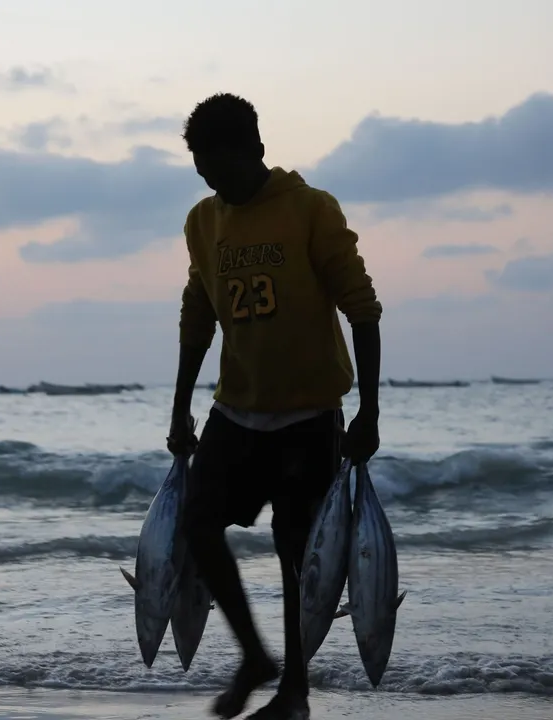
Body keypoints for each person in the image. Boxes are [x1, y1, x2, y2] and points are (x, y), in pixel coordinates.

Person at [166, 93, 382, 720]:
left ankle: (295, 692)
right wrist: (180, 406)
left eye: (222, 168)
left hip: (309, 414)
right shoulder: (201, 222)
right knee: (197, 523)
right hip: (235, 410)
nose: (214, 182)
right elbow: (197, 313)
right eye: (203, 170)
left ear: (256, 151)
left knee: (297, 553)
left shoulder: (311, 210)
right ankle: (255, 658)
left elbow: (362, 309)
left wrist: (367, 411)